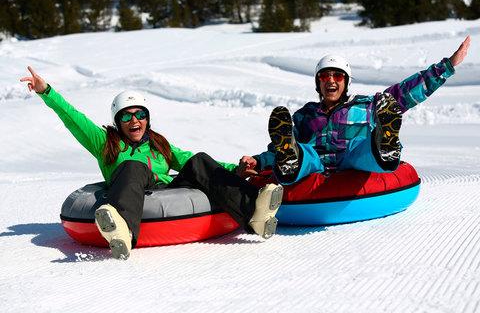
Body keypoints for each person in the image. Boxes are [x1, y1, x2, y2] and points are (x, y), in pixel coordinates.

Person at [20, 67, 284, 260]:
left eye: (140, 114)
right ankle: (122, 230)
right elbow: (74, 119)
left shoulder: (158, 144)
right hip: (131, 188)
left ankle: (255, 213)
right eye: (127, 116)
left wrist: (236, 170)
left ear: (147, 118)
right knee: (134, 166)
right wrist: (47, 92)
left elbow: (192, 162)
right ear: (117, 121)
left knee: (199, 159)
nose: (134, 121)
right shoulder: (105, 142)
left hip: (165, 190)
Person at [239, 36, 471, 184]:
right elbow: (276, 148)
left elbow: (405, 92)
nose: (331, 80)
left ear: (346, 81)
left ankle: (384, 146)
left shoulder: (366, 105)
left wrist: (447, 66)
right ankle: (292, 161)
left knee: (360, 149)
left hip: (352, 161)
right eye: (325, 76)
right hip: (315, 165)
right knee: (303, 153)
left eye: (337, 75)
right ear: (318, 83)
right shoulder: (305, 115)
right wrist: (258, 162)